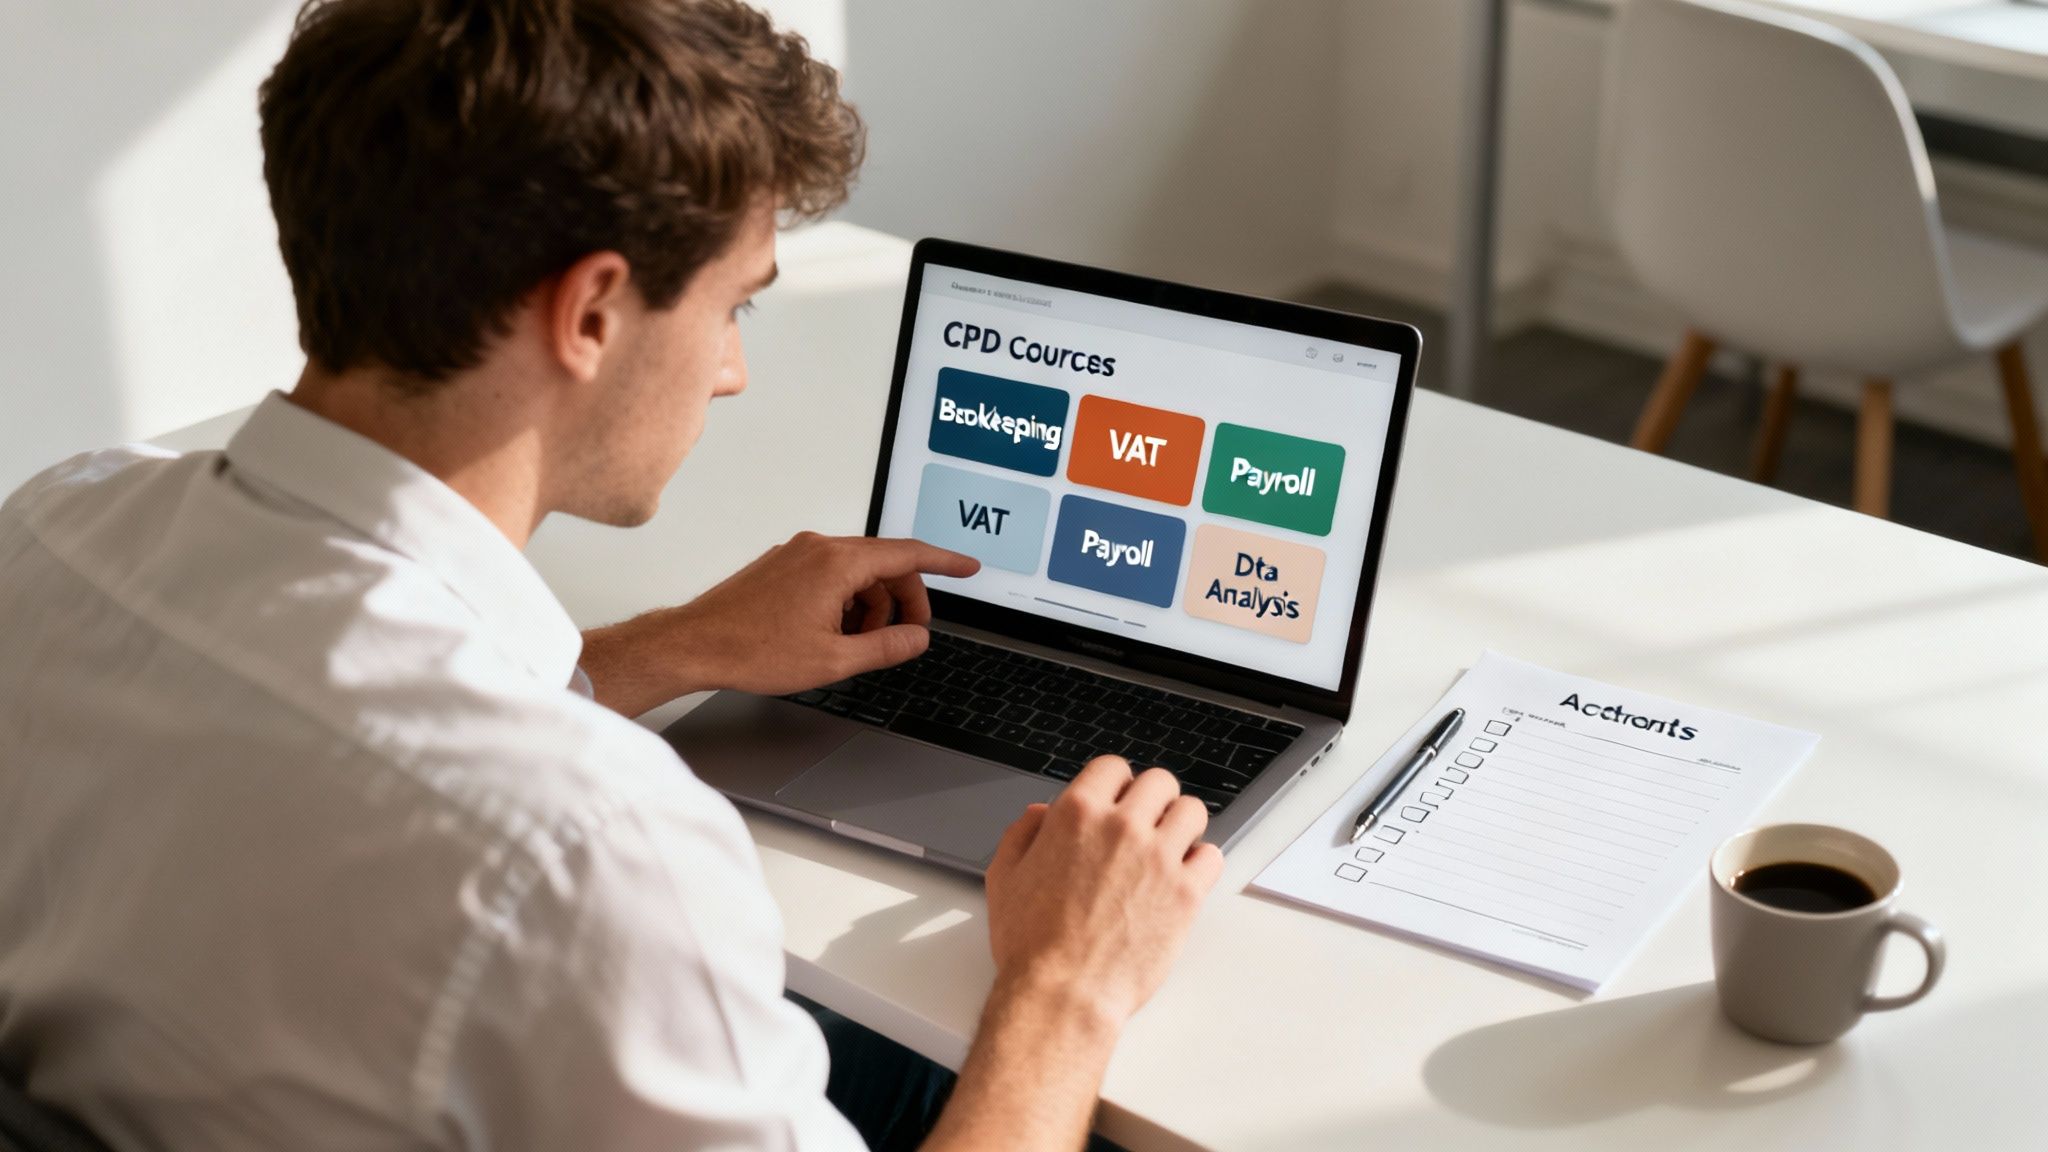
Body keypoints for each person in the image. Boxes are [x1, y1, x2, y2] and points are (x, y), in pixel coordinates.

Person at [0, 1, 1224, 1150]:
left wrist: (661, 649)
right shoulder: (592, 852)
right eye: (731, 307)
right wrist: (1066, 983)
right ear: (590, 313)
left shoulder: (53, 532)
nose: (732, 372)